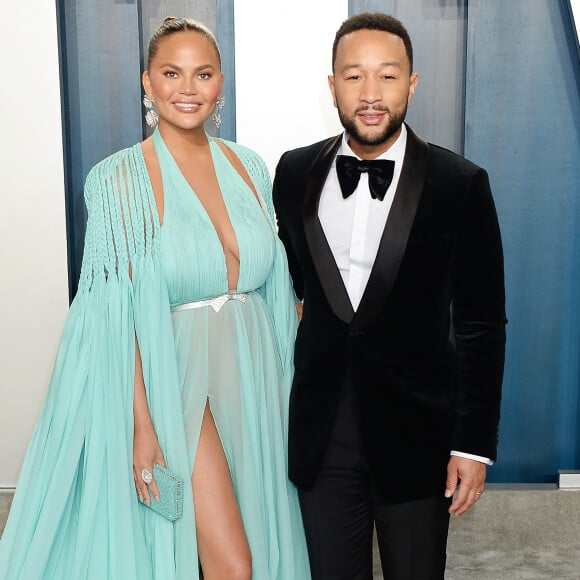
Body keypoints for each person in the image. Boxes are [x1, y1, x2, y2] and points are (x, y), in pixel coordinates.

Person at [0, 17, 310, 580]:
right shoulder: (117, 180)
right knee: (233, 567)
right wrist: (142, 425)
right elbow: (110, 317)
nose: (187, 88)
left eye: (203, 73)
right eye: (171, 73)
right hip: (175, 382)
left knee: (261, 553)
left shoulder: (251, 168)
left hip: (255, 377)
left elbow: (276, 287)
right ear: (147, 82)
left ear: (221, 84)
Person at [272, 12, 506, 580]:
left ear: (412, 83)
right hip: (321, 433)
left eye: (388, 76)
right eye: (354, 77)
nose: (371, 95)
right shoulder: (294, 172)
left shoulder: (461, 184)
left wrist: (472, 446)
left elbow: (480, 324)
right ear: (332, 86)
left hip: (419, 437)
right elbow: (293, 286)